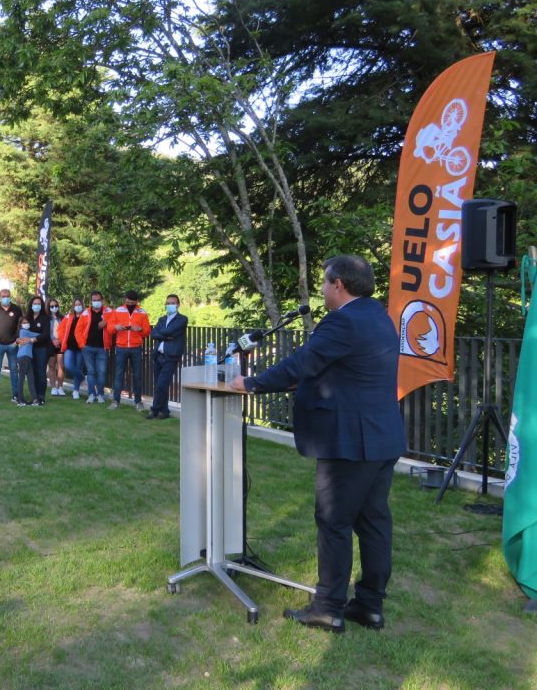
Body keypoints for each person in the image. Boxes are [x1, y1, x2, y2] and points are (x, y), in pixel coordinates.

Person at [228, 255, 405, 633]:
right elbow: (343, 371)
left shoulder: (342, 320)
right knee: (373, 522)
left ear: (339, 284)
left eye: (324, 284)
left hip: (349, 442)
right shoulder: (379, 316)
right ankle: (370, 606)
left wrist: (252, 383)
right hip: (383, 436)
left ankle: (327, 607)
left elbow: (304, 362)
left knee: (334, 521)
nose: (322, 291)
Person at [107, 290, 152, 412]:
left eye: (131, 302)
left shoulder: (142, 313)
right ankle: (116, 401)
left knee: (137, 375)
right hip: (121, 347)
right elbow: (110, 327)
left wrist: (140, 329)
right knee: (119, 375)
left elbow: (147, 331)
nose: (128, 303)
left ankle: (138, 402)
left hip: (136, 348)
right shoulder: (118, 310)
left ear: (136, 301)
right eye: (127, 301)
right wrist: (115, 327)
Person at [147, 294, 188, 420]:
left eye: (173, 303)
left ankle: (154, 410)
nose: (170, 305)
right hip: (158, 355)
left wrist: (162, 333)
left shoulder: (182, 319)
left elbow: (170, 331)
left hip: (171, 356)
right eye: (168, 303)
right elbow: (153, 334)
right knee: (160, 385)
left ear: (178, 305)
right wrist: (166, 336)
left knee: (161, 384)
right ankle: (164, 411)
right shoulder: (162, 319)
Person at [74, 290, 112, 404]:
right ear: (91, 301)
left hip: (102, 348)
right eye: (94, 300)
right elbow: (78, 331)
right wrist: (82, 345)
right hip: (88, 348)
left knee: (102, 371)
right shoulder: (85, 313)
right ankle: (91, 394)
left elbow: (116, 322)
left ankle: (100, 394)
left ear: (102, 300)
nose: (96, 302)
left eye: (98, 300)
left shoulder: (109, 312)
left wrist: (107, 322)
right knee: (91, 372)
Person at [24, 295, 52, 405]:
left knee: (41, 372)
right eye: (34, 304)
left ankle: (41, 396)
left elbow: (45, 334)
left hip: (42, 348)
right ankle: (34, 396)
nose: (36, 306)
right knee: (32, 372)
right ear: (31, 305)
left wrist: (34, 339)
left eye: (38, 304)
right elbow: (22, 329)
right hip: (29, 349)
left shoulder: (45, 318)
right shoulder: (28, 318)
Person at [60, 297, 86, 400]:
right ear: (73, 306)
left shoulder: (86, 317)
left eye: (79, 304)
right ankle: (83, 378)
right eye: (76, 305)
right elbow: (61, 329)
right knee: (68, 365)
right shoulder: (69, 317)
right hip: (69, 346)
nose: (78, 306)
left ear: (82, 306)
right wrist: (62, 340)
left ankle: (76, 390)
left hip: (81, 347)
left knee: (78, 367)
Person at [15, 316, 40, 406]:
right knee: (21, 378)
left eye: (27, 322)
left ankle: (35, 399)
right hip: (24, 356)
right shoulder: (24, 331)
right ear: (21, 325)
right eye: (24, 323)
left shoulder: (25, 332)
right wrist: (32, 339)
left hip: (27, 357)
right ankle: (20, 399)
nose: (26, 324)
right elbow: (38, 335)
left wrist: (30, 340)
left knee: (31, 378)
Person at [47, 298, 65, 396]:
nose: (54, 308)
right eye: (52, 306)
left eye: (56, 306)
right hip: (50, 344)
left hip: (61, 344)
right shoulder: (46, 318)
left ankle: (60, 387)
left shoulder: (63, 318)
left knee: (61, 366)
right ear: (49, 307)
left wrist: (59, 341)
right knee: (51, 365)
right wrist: (53, 341)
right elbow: (46, 332)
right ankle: (53, 387)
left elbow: (65, 331)